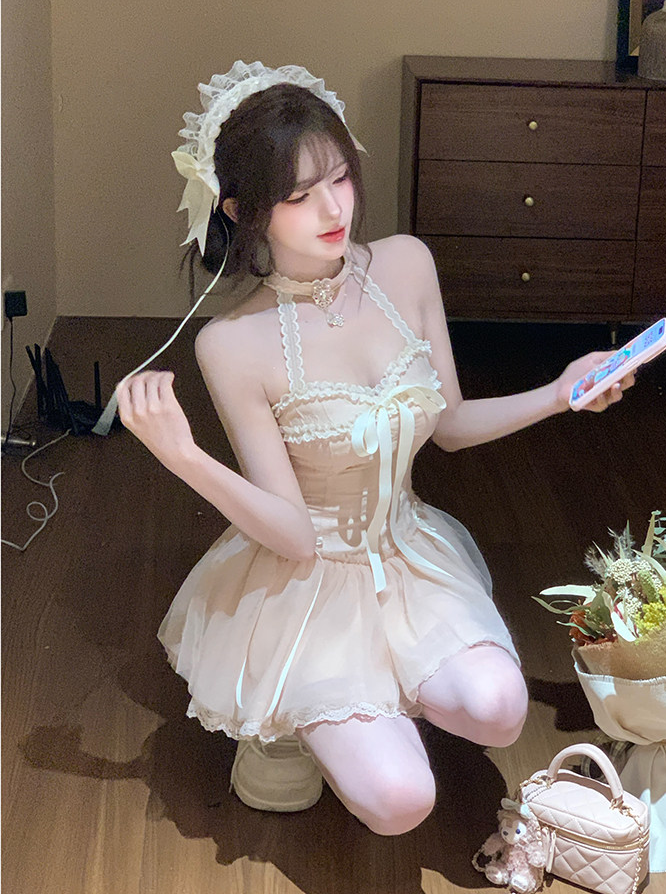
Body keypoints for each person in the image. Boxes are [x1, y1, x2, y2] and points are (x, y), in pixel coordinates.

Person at [116, 61, 634, 836]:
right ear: (242, 210)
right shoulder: (231, 343)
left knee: (500, 711)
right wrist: (184, 456)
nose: (333, 209)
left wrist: (562, 392)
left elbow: (449, 424)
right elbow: (293, 535)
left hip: (407, 549)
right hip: (307, 579)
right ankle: (290, 721)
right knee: (400, 804)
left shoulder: (406, 264)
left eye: (339, 179)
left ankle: (377, 704)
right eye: (300, 196)